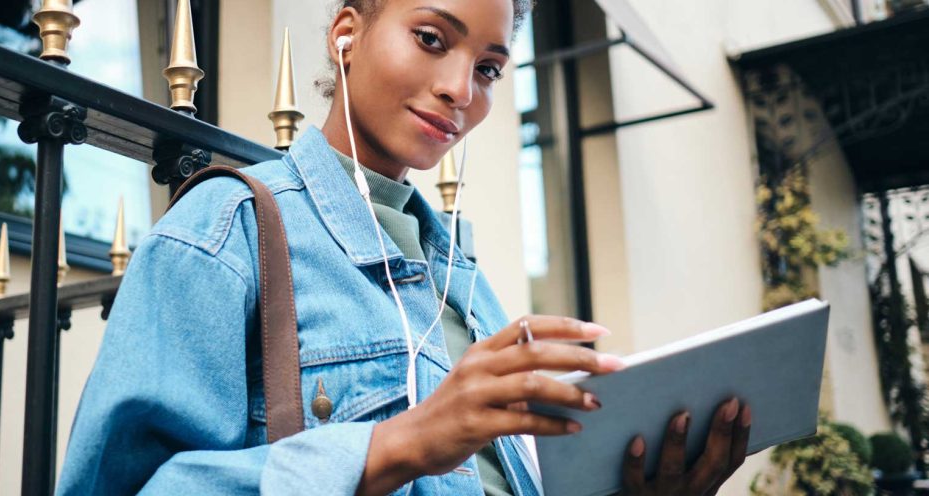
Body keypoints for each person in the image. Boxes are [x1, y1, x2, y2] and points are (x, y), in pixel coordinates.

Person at [57, 0, 752, 494]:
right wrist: (398, 445)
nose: (459, 90)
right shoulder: (225, 229)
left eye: (487, 69)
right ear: (346, 34)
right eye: (430, 38)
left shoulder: (461, 276)